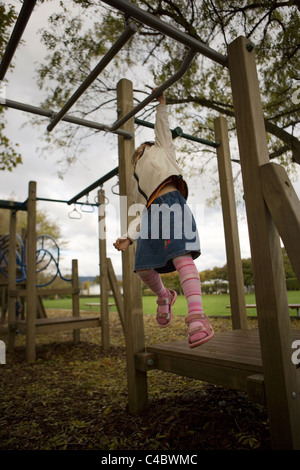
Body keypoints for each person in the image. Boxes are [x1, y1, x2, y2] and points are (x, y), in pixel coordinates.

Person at [114, 89, 214, 348]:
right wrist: (128, 236)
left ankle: (197, 318)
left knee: (182, 256)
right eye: (137, 152)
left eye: (141, 147)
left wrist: (161, 105)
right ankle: (164, 296)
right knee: (143, 266)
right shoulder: (136, 179)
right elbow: (137, 209)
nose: (138, 151)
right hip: (150, 214)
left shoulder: (161, 150)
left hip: (171, 204)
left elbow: (162, 128)